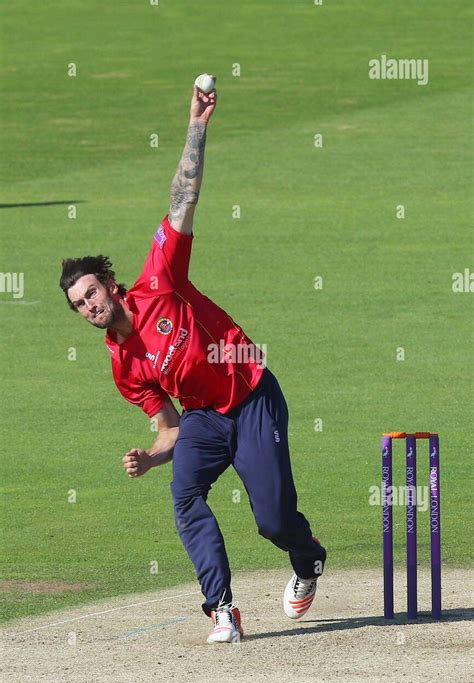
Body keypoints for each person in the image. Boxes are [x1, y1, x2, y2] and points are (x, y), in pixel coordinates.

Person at [60, 78, 327, 644]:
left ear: (111, 283)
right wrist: (151, 459)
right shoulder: (123, 366)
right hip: (204, 416)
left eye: (93, 293)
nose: (90, 306)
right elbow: (170, 428)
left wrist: (197, 126)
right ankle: (222, 608)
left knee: (273, 520)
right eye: (80, 304)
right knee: (183, 492)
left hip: (250, 390)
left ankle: (307, 559)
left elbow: (184, 198)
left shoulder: (161, 279)